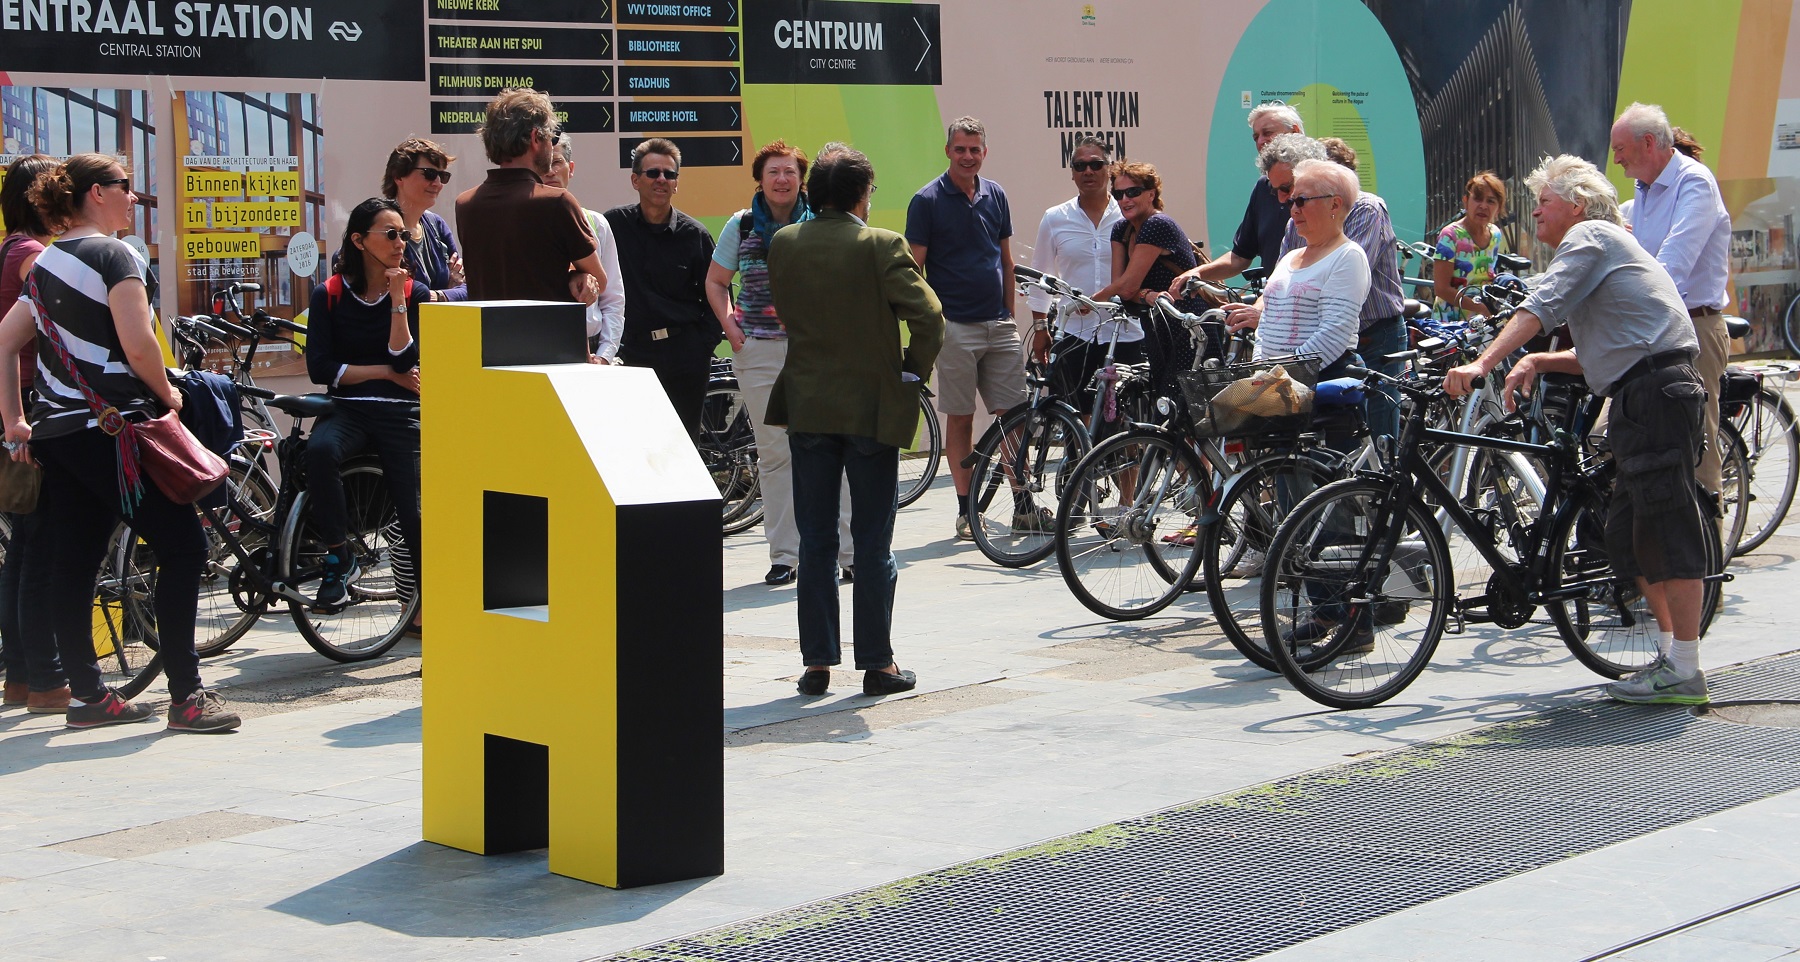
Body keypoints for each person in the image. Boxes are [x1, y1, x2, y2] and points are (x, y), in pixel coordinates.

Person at [1446, 154, 1710, 705]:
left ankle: (1685, 670)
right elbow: (1605, 348)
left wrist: (1483, 364)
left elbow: (1541, 305)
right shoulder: (1601, 249)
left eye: (1544, 201)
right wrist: (1539, 362)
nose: (1535, 210)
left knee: (1665, 529)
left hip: (1654, 393)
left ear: (1579, 205)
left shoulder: (1591, 235)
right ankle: (1671, 658)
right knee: (1626, 534)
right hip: (1641, 392)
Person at [0, 153, 239, 732]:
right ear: (95, 193)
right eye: (125, 186)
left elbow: (4, 341)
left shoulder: (44, 265)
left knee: (74, 562)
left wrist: (15, 423)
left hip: (59, 435)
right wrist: (170, 394)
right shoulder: (116, 255)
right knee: (183, 549)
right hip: (117, 432)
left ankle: (88, 697)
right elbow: (138, 345)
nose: (134, 196)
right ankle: (187, 697)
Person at [767, 144, 944, 697]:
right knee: (871, 540)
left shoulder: (784, 243)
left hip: (808, 403)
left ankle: (817, 662)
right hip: (870, 406)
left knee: (815, 538)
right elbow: (930, 318)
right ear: (862, 195)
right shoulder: (880, 244)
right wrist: (910, 374)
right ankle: (877, 663)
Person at [1226, 158, 1372, 650]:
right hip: (1282, 387)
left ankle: (1354, 621)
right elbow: (1268, 323)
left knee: (1332, 507)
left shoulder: (1347, 257)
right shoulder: (1291, 258)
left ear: (1335, 206)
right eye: (1288, 202)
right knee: (1292, 503)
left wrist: (1286, 373)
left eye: (1301, 200)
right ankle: (1321, 608)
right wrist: (1262, 372)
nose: (1291, 210)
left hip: (1325, 387)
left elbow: (1335, 331)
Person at [704, 140, 853, 587]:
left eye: (789, 172)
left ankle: (849, 554)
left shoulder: (824, 221)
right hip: (760, 352)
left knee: (834, 451)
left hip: (816, 351)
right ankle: (785, 556)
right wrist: (735, 334)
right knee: (774, 455)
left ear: (802, 180)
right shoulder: (742, 223)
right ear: (760, 179)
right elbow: (716, 282)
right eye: (773, 172)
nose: (782, 180)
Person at [303, 198, 425, 621]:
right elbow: (320, 368)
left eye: (404, 234)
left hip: (400, 414)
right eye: (389, 234)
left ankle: (432, 612)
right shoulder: (329, 294)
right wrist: (385, 375)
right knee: (318, 451)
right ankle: (338, 557)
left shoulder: (413, 292)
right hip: (349, 408)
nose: (399, 244)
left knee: (414, 513)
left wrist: (396, 298)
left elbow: (405, 359)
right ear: (359, 240)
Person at [905, 116, 1022, 541]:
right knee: (961, 419)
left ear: (984, 153)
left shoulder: (997, 195)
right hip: (954, 327)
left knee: (1016, 418)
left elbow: (1006, 261)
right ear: (948, 151)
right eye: (960, 149)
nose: (968, 157)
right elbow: (913, 269)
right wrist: (932, 323)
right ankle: (966, 510)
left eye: (975, 150)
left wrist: (1009, 313)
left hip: (999, 324)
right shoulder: (927, 200)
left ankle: (1022, 503)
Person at [1611, 102, 1732, 503]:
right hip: (1652, 324)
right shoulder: (1642, 191)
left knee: (1696, 443)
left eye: (1620, 148)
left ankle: (1708, 553)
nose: (1616, 158)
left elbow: (1672, 266)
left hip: (1692, 326)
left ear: (1648, 143)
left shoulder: (1694, 183)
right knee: (1615, 435)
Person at [1273, 135, 1406, 441]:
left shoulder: (1368, 210)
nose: (1295, 202)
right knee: (1331, 439)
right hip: (1326, 341)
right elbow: (1282, 276)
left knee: (1380, 436)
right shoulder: (1298, 220)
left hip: (1375, 336)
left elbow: (1339, 281)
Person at [0, 154, 66, 714]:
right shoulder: (31, 255)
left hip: (18, 407)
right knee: (37, 543)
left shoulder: (11, 247)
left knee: (25, 544)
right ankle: (42, 678)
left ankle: (22, 675)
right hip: (29, 408)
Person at [607, 138, 721, 440]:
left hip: (683, 359)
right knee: (632, 445)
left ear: (676, 184)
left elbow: (717, 294)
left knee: (681, 448)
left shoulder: (695, 235)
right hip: (630, 356)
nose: (661, 180)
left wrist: (700, 348)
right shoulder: (613, 226)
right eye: (653, 173)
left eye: (669, 174)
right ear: (635, 180)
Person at [453, 88, 605, 305]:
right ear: (535, 138)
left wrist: (573, 276)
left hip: (488, 336)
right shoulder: (557, 202)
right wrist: (574, 276)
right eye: (551, 139)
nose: (551, 148)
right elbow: (599, 279)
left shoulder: (465, 204)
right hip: (549, 336)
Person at [1027, 136, 1138, 406]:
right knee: (1073, 416)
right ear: (1072, 174)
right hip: (1075, 332)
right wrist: (1041, 327)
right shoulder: (1055, 218)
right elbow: (1040, 278)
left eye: (1096, 164)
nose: (1088, 171)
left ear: (1109, 169)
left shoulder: (1129, 215)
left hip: (1125, 331)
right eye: (1080, 165)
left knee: (1127, 421)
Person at [1091, 160, 1197, 403]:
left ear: (1151, 194)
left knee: (1180, 407)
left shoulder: (1157, 224)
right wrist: (1146, 294)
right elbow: (1122, 288)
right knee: (1161, 404)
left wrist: (1094, 300)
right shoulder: (1121, 229)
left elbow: (1126, 286)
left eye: (1133, 192)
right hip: (1156, 326)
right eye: (1118, 194)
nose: (1125, 199)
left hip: (1186, 326)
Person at [1184, 102, 1303, 283]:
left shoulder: (1326, 184)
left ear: (1294, 132)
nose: (1261, 141)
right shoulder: (1263, 187)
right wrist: (1198, 273)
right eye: (1255, 137)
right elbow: (1240, 257)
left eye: (1267, 133)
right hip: (1273, 301)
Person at [543, 134, 626, 363]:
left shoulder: (596, 223)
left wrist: (605, 356)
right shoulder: (524, 223)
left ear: (570, 168)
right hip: (543, 344)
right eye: (544, 164)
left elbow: (613, 299)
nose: (550, 171)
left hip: (592, 346)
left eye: (556, 162)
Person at [381, 136, 466, 303]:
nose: (438, 183)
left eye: (443, 176)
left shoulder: (437, 226)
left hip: (436, 327)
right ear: (398, 176)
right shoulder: (379, 226)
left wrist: (439, 296)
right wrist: (446, 292)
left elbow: (465, 288)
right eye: (430, 174)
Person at [1431, 171, 1510, 326]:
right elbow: (1441, 289)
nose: (1483, 206)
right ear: (1466, 201)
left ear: (1499, 206)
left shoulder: (1495, 234)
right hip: (1451, 323)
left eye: (1491, 201)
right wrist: (1479, 308)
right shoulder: (1450, 236)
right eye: (1477, 199)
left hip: (1482, 322)